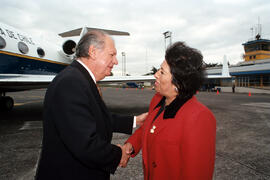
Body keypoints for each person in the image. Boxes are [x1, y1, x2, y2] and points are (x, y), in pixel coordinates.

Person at [35, 30, 148, 180]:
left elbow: (96, 116)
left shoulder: (80, 78)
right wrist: (119, 154)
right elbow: (85, 144)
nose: (116, 61)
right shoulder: (71, 83)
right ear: (93, 52)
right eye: (112, 55)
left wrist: (136, 120)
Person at [122, 42, 216, 179]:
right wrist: (131, 145)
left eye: (162, 72)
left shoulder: (199, 118)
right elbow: (149, 126)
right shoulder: (158, 100)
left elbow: (197, 173)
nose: (155, 75)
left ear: (177, 83)